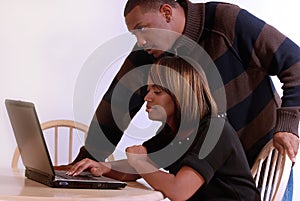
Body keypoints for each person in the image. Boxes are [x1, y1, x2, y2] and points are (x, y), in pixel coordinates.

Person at [67, 0, 300, 200]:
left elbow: (295, 62)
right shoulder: (149, 54)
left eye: (142, 29)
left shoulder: (226, 22)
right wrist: (87, 165)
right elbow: (115, 106)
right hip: (204, 172)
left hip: (261, 157)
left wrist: (287, 125)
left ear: (167, 13)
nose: (139, 41)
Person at [67, 56, 261, 201]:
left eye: (157, 92)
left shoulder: (214, 131)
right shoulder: (173, 132)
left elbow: (179, 191)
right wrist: (104, 167)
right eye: (149, 89)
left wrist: (141, 162)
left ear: (181, 95)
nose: (147, 97)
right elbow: (136, 170)